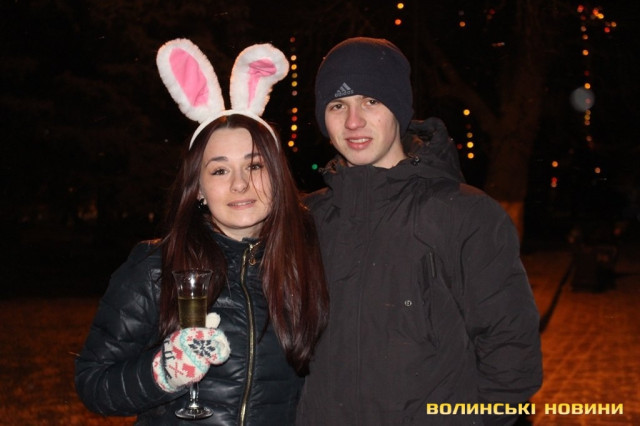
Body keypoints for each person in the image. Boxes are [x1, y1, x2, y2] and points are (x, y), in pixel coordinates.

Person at [75, 39, 329, 425]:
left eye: (255, 166)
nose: (240, 184)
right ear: (198, 189)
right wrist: (161, 373)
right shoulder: (155, 266)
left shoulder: (308, 262)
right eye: (220, 170)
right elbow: (93, 383)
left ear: (277, 177)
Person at [295, 37, 542, 426]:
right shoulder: (308, 219)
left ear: (399, 107)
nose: (353, 121)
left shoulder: (464, 214)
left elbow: (511, 354)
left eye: (371, 101)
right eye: (337, 105)